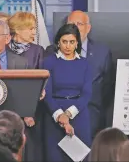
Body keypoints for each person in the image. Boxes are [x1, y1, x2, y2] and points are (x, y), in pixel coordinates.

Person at [45, 10, 113, 138]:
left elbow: (108, 87)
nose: (75, 27)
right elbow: (46, 88)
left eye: (79, 24)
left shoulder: (102, 52)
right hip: (57, 116)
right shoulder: (51, 53)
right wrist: (61, 114)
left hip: (91, 117)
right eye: (71, 23)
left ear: (88, 28)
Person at [42, 23, 92, 162]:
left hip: (79, 116)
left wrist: (68, 114)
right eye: (64, 41)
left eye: (72, 42)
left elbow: (87, 93)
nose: (67, 46)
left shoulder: (84, 63)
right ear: (58, 42)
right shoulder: (48, 62)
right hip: (54, 116)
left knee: (80, 158)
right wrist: (60, 116)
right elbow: (46, 92)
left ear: (77, 43)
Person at [7, 11, 45, 162]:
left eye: (34, 28)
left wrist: (28, 111)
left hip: (32, 112)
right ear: (17, 30)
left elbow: (40, 82)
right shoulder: (3, 50)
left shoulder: (37, 51)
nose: (34, 32)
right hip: (7, 108)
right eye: (30, 28)